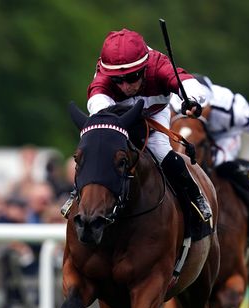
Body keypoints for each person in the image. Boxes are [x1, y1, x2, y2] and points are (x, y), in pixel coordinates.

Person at [63, 29, 212, 221]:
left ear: (144, 68)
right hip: (117, 114)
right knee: (99, 148)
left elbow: (185, 81)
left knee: (161, 151)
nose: (125, 86)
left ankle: (195, 197)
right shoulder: (104, 75)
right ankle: (76, 193)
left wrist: (191, 100)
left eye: (132, 77)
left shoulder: (158, 64)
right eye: (118, 80)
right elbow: (97, 99)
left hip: (154, 113)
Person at [169, 74, 249, 236]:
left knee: (221, 165)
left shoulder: (230, 107)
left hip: (224, 137)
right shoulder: (170, 103)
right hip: (184, 136)